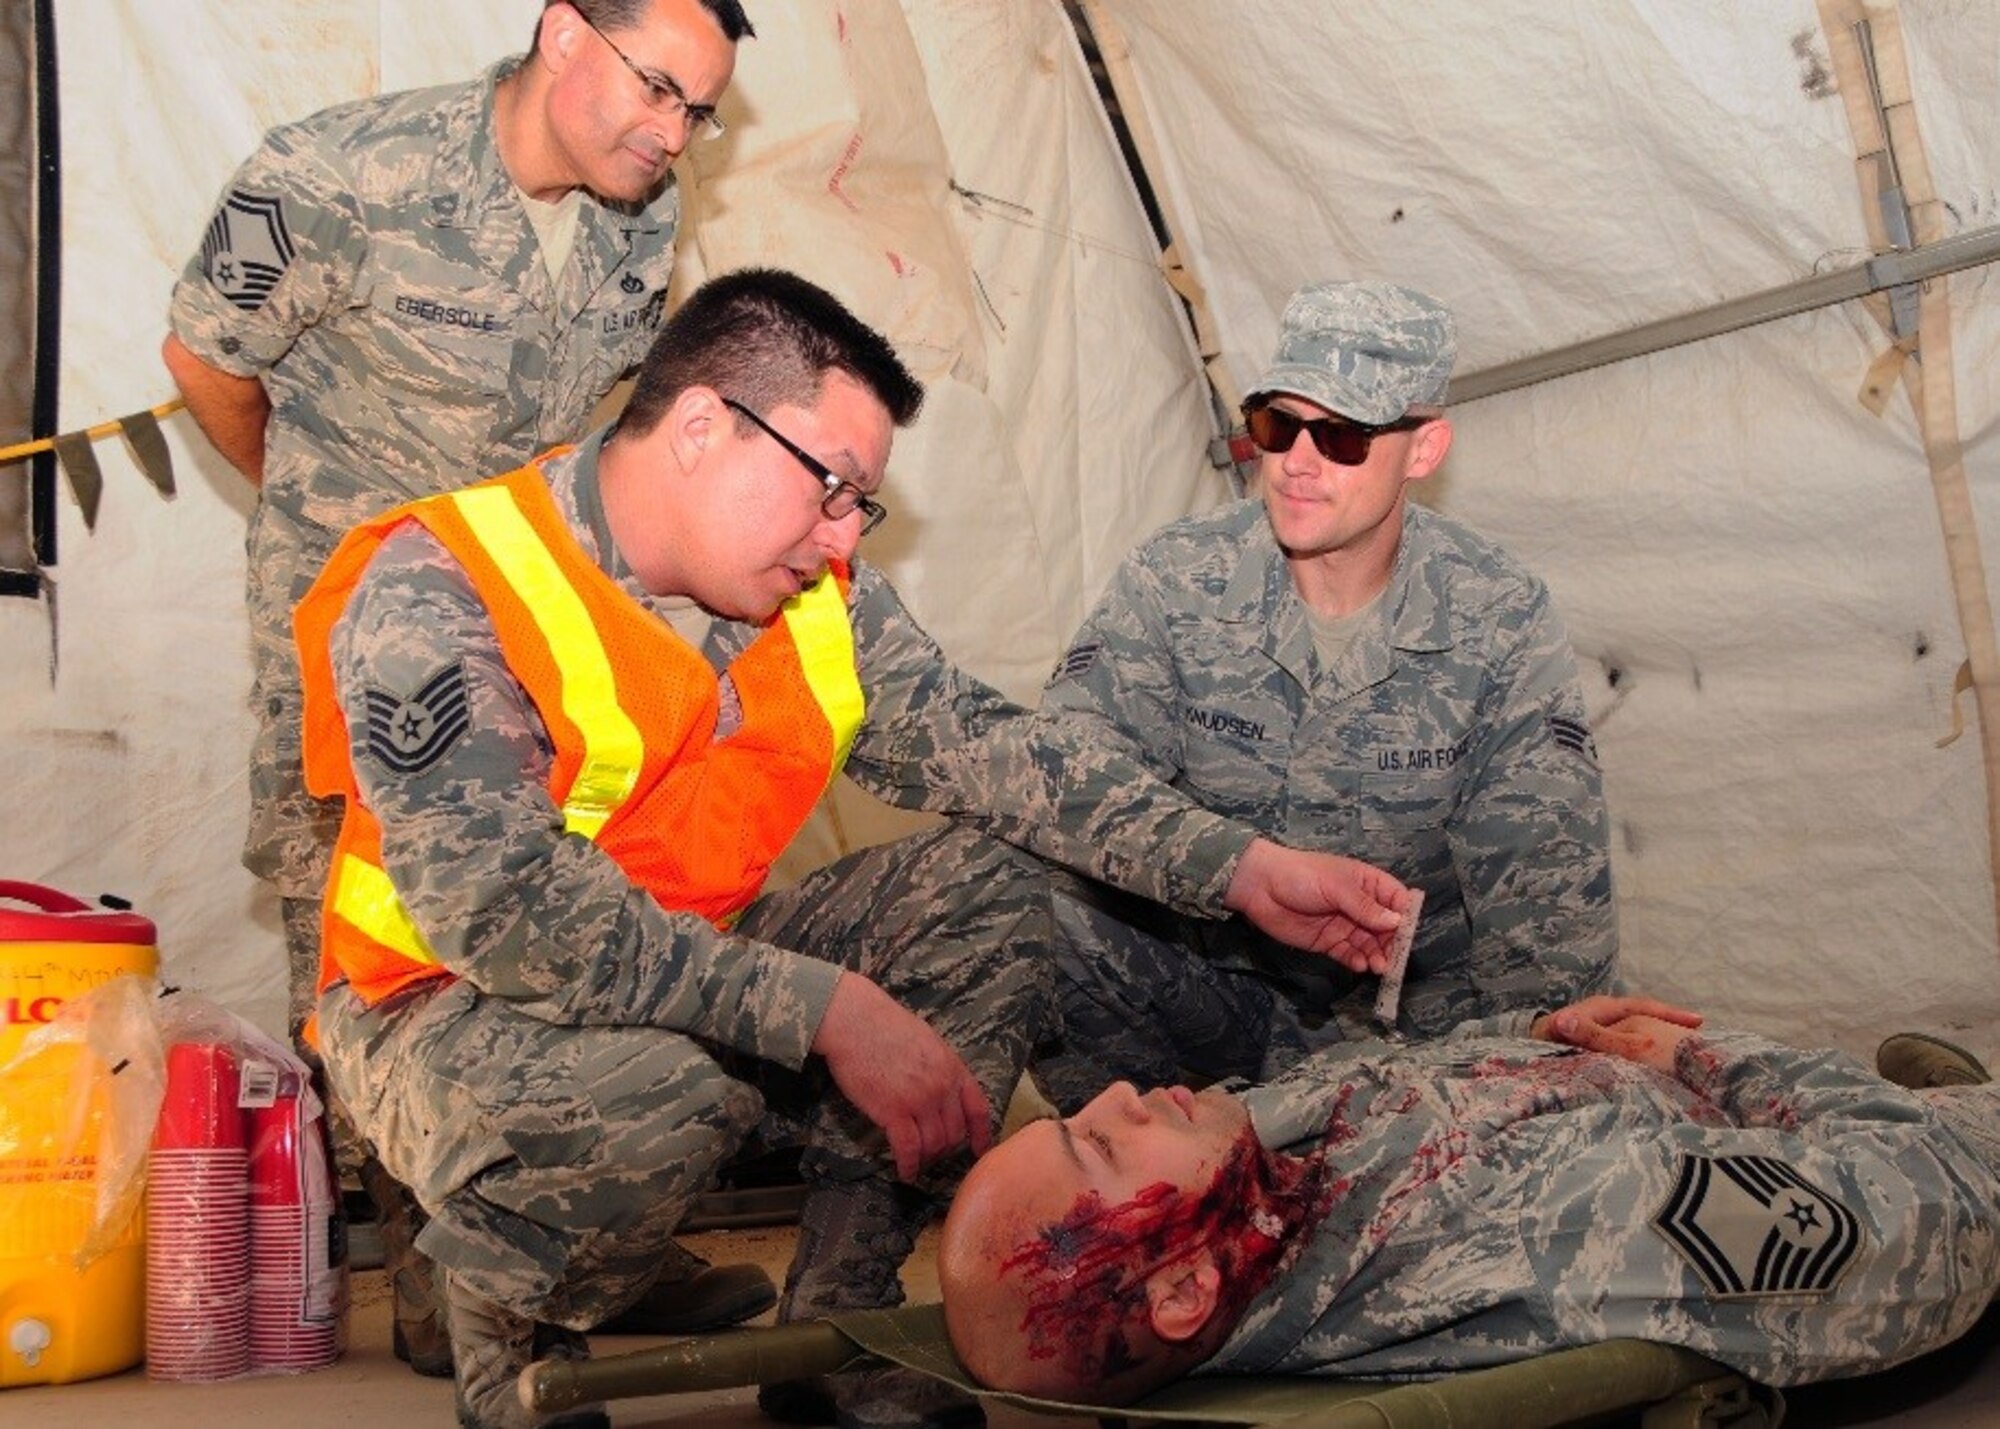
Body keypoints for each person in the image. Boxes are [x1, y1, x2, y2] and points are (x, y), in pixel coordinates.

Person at [291, 268, 1414, 1429]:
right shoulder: (443, 582)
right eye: (831, 489)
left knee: (999, 887)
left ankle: (831, 1325)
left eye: (857, 507)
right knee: (675, 1080)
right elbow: (505, 908)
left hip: (685, 967)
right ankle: (513, 1322)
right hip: (441, 1006)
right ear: (700, 429)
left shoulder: (814, 594)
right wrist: (825, 1008)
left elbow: (1000, 759)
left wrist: (1242, 868)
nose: (840, 538)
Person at [161, 0, 757, 1371]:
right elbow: (206, 359)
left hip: (541, 639)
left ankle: (583, 1234)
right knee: (372, 931)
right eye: (657, 89)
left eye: (698, 112)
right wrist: (331, 530)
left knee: (554, 903)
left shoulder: (635, 217)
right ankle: (450, 1278)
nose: (670, 134)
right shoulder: (340, 173)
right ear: (561, 34)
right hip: (360, 644)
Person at [1000, 278, 1617, 1111]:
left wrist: (1520, 1090)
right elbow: (1066, 778)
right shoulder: (1179, 580)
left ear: (1425, 450)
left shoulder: (1496, 616)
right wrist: (1235, 870)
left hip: (1409, 1050)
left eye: (1343, 435)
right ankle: (1132, 1193)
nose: (1296, 461)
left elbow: (1547, 917)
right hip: (1202, 1010)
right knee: (1010, 888)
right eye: (1277, 423)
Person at [939, 1004, 2000, 1407]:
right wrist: (1700, 1050)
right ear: (1179, 1289)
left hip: (1621, 1080)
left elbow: (1386, 1071)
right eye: (1093, 1143)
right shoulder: (1555, 1227)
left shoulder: (1247, 1191)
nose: (1118, 1096)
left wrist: (1540, 1025)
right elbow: (1936, 1213)